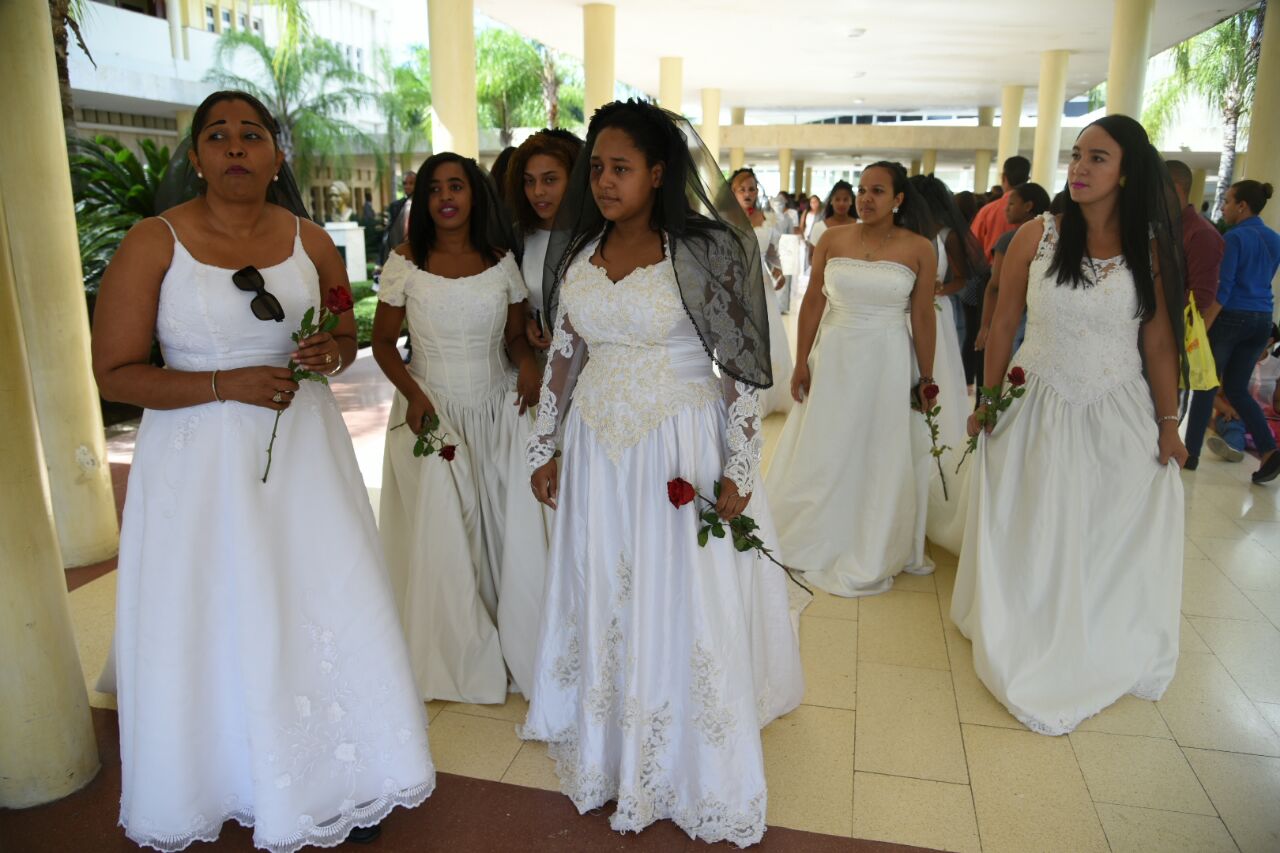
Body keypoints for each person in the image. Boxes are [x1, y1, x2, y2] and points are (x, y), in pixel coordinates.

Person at [90, 90, 435, 852]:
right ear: (196, 157)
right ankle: (227, 776)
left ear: (278, 155)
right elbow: (113, 370)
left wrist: (328, 351)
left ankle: (341, 772)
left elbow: (343, 330)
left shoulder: (312, 241)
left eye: (252, 135)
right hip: (199, 464)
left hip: (303, 452)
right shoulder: (155, 242)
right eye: (218, 136)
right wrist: (224, 383)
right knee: (219, 605)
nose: (236, 147)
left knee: (319, 594)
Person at [522, 99, 803, 846]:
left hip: (678, 438)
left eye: (620, 168)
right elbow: (564, 356)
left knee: (680, 586)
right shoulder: (581, 254)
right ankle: (612, 742)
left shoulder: (702, 249)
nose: (604, 182)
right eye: (597, 168)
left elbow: (737, 364)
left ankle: (688, 749)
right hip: (596, 445)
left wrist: (741, 463)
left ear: (656, 172)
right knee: (606, 581)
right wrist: (545, 445)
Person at [951, 115, 1187, 735]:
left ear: (1127, 172)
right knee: (1036, 517)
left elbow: (1159, 341)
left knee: (1104, 523)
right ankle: (1029, 623)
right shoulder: (1038, 235)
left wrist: (1169, 423)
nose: (1080, 167)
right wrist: (988, 399)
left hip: (1118, 406)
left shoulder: (1149, 248)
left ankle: (1097, 628)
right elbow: (1004, 322)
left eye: (1097, 158)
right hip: (1038, 399)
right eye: (1077, 154)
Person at [373, 152, 548, 704]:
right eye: (433, 189)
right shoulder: (405, 263)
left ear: (475, 194)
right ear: (421, 200)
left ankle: (511, 634)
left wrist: (527, 363)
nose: (445, 197)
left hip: (497, 408)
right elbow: (382, 344)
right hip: (434, 409)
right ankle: (458, 652)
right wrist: (414, 394)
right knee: (452, 528)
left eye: (456, 186)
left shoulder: (500, 262)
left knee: (503, 524)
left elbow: (514, 336)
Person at [767, 161, 938, 596]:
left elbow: (922, 315)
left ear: (898, 199)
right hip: (835, 355)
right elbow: (812, 303)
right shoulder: (832, 238)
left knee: (878, 444)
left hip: (887, 359)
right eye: (862, 190)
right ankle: (815, 530)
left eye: (877, 191)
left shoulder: (919, 247)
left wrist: (927, 376)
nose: (865, 198)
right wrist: (801, 361)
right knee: (827, 442)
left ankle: (871, 537)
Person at [909, 173, 988, 554]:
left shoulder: (946, 235)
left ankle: (930, 475)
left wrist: (939, 289)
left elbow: (963, 277)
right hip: (907, 315)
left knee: (931, 384)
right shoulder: (906, 232)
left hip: (934, 314)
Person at [1181, 180, 1280, 482]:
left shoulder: (1234, 238)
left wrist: (1202, 328)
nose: (1222, 207)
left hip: (1232, 317)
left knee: (1206, 384)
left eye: (1227, 201)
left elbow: (1223, 290)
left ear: (1242, 206)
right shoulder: (1274, 238)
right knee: (1236, 388)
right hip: (1263, 319)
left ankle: (1190, 454)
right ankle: (1269, 450)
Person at [506, 129, 584, 351]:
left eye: (550, 180)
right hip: (539, 357)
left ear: (574, 180)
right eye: (529, 181)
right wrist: (525, 320)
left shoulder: (596, 236)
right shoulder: (519, 237)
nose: (537, 191)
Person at [729, 167, 795, 415]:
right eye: (742, 189)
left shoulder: (766, 218)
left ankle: (768, 395)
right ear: (733, 192)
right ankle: (741, 394)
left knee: (766, 337)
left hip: (762, 286)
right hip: (734, 286)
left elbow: (771, 253)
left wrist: (778, 272)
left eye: (752, 189)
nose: (747, 193)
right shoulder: (722, 218)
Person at [975, 182, 1052, 354]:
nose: (1006, 209)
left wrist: (985, 325)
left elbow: (995, 286)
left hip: (1013, 319)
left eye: (1011, 204)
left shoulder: (1009, 239)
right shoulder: (1053, 239)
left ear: (1028, 206)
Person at [971, 156, 1031, 259]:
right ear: (1028, 179)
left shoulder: (987, 211)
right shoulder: (1035, 211)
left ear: (1003, 177)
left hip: (989, 267)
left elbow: (972, 247)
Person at [807, 180, 856, 247]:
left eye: (845, 200)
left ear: (851, 201)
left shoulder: (861, 226)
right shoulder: (819, 227)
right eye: (837, 199)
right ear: (831, 201)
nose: (841, 203)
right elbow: (812, 253)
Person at [381, 170, 416, 264]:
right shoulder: (395, 206)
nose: (407, 186)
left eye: (411, 183)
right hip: (399, 250)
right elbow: (389, 230)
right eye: (405, 183)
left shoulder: (425, 205)